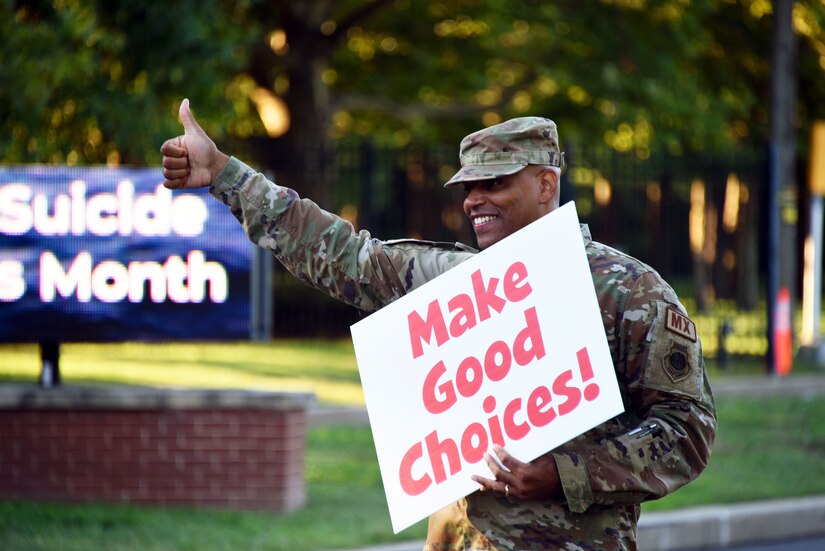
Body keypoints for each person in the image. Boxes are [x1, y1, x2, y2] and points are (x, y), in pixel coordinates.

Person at [161, 99, 717, 551]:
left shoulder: (627, 291)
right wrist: (225, 175)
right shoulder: (453, 285)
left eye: (495, 183)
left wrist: (565, 472)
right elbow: (340, 253)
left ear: (547, 185)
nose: (475, 199)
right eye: (468, 188)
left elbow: (688, 431)